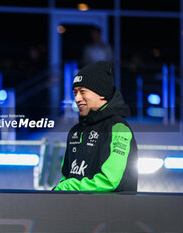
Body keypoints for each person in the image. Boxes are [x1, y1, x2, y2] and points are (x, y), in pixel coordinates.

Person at [54, 61, 138, 192]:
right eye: (75, 92)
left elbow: (110, 181)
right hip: (76, 210)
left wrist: (69, 187)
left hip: (113, 211)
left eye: (82, 92)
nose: (77, 98)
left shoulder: (118, 128)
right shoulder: (75, 131)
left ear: (101, 93)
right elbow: (66, 177)